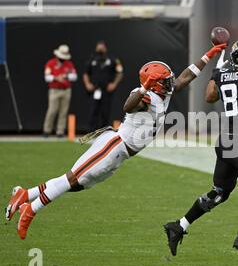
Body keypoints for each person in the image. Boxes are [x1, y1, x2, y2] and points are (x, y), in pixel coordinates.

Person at [5, 43, 226, 240]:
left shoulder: (164, 91)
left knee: (77, 184)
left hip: (121, 154)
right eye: (166, 80)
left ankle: (26, 194)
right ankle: (31, 209)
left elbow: (186, 76)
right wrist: (143, 88)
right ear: (154, 84)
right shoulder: (145, 95)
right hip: (113, 145)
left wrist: (209, 54)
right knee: (71, 179)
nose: (171, 82)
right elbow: (128, 106)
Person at [164, 39, 238, 257]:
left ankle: (179, 226)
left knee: (219, 194)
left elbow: (209, 97)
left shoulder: (221, 74)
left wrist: (221, 72)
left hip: (225, 140)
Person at [83, 41, 123, 132]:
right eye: (99, 48)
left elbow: (120, 73)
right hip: (95, 89)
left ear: (105, 48)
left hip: (106, 90)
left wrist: (114, 84)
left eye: (102, 48)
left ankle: (104, 132)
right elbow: (86, 74)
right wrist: (87, 84)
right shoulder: (91, 59)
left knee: (105, 111)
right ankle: (92, 132)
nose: (100, 50)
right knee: (93, 111)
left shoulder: (113, 60)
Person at [43, 44, 77, 138]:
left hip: (66, 90)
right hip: (54, 90)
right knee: (52, 111)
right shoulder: (51, 63)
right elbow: (47, 77)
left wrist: (66, 76)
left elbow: (74, 76)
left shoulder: (69, 64)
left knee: (63, 112)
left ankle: (60, 131)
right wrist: (56, 78)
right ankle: (47, 130)